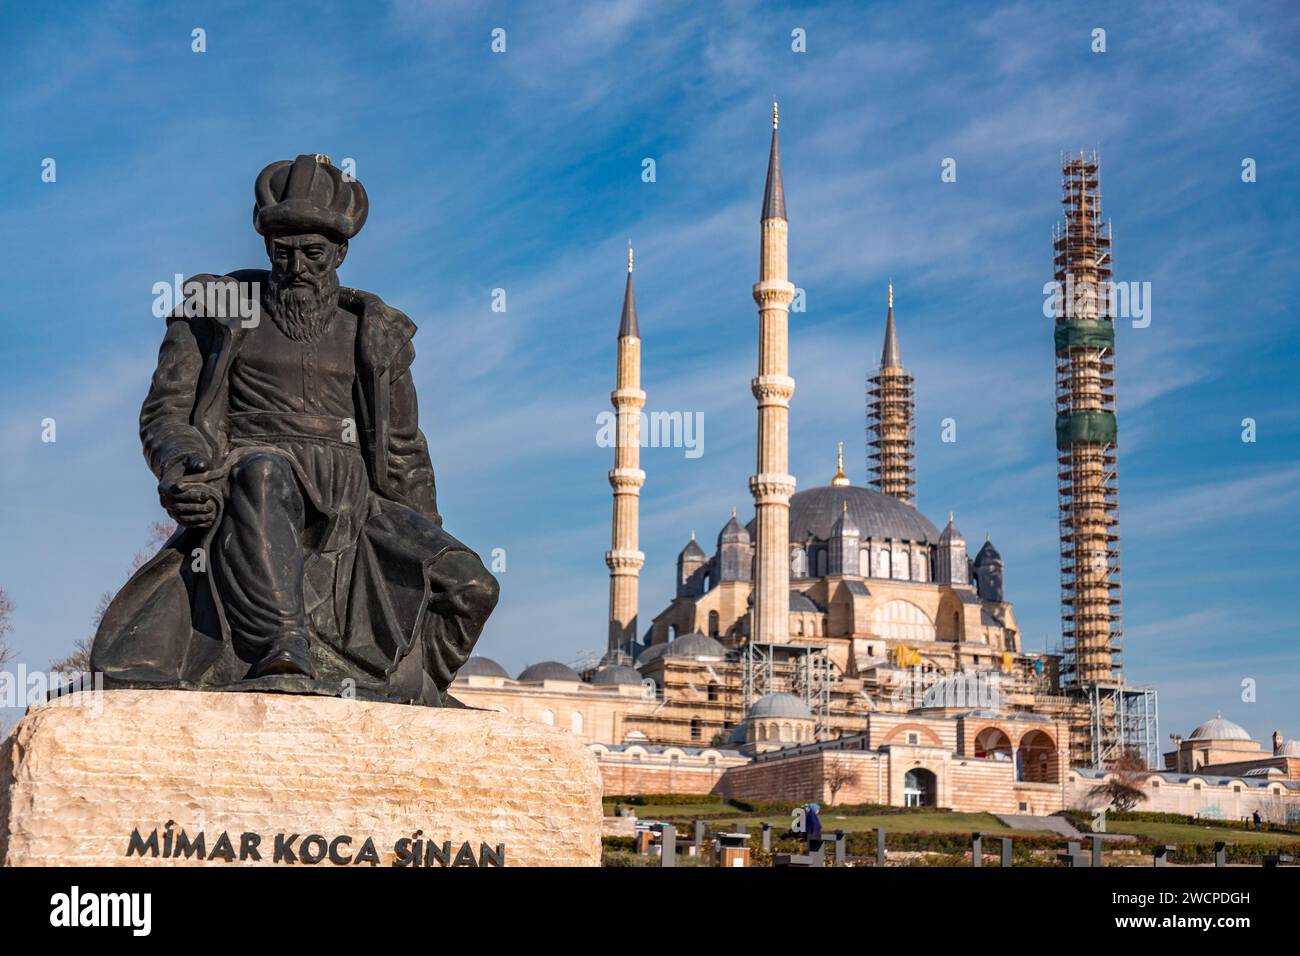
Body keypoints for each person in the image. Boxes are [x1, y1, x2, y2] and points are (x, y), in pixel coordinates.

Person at [92, 155, 498, 705]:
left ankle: (410, 687)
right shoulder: (214, 313)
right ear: (267, 249)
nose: (298, 268)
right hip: (251, 475)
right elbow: (167, 412)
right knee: (264, 471)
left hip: (357, 499)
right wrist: (180, 466)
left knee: (473, 584)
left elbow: (402, 446)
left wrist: (420, 530)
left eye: (314, 254)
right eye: (285, 253)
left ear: (340, 253)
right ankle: (281, 649)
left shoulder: (376, 335)